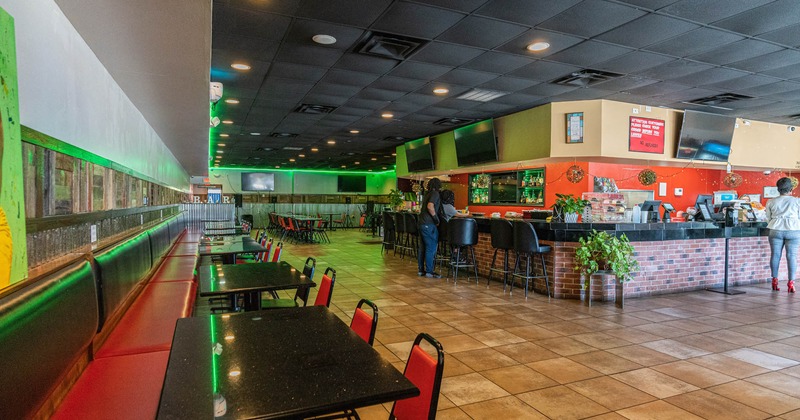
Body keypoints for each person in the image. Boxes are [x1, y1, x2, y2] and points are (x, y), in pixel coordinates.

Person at [766, 177, 800, 293]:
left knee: (775, 255)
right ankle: (791, 283)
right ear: (791, 189)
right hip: (793, 230)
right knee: (792, 256)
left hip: (775, 229)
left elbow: (768, 218)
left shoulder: (771, 201)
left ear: (778, 189)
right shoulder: (797, 201)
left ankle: (774, 280)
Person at [417, 178, 442, 278]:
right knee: (430, 247)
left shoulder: (427, 194)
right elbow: (430, 206)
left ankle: (421, 270)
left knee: (422, 248)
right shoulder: (435, 194)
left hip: (421, 223)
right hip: (429, 224)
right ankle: (429, 271)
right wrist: (436, 219)